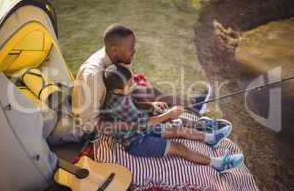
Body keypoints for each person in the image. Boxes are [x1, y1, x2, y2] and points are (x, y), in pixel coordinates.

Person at [72, 23, 211, 135]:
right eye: (130, 48)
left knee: (152, 92)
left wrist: (151, 105)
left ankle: (193, 105)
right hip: (99, 118)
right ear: (114, 49)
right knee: (154, 120)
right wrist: (137, 124)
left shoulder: (121, 56)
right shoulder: (93, 75)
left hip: (117, 99)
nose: (134, 52)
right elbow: (89, 123)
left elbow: (132, 90)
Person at [103, 65, 244, 173]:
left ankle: (210, 138)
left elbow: (134, 102)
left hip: (142, 130)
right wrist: (168, 115)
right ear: (117, 90)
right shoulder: (121, 106)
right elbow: (144, 124)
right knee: (180, 148)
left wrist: (152, 105)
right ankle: (218, 164)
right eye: (129, 84)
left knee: (178, 129)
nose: (133, 85)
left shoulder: (118, 92)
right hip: (137, 141)